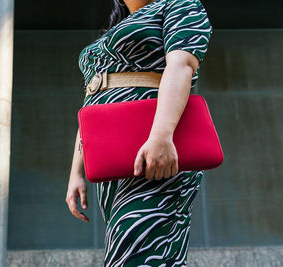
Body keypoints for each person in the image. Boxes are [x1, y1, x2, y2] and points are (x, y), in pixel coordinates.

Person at [66, 0, 213, 266]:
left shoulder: (181, 4)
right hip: (113, 159)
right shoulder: (113, 29)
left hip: (156, 147)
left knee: (139, 248)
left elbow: (181, 66)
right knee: (130, 248)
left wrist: (161, 136)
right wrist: (76, 172)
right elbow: (91, 103)